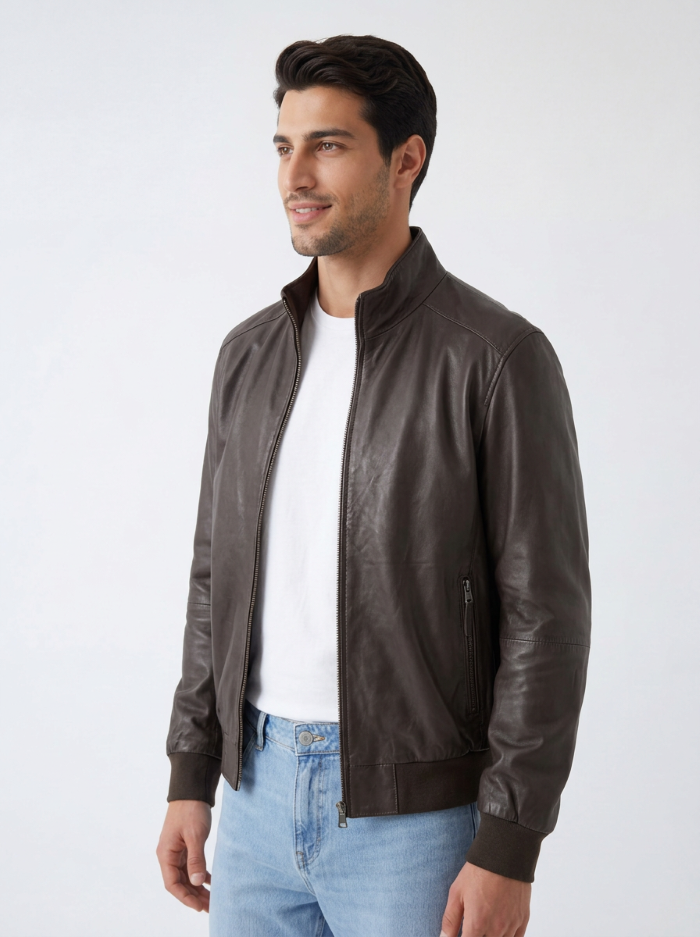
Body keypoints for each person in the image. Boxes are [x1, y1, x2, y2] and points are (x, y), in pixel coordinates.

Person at [156, 34, 591, 937]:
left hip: (417, 819)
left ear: (406, 160)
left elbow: (546, 617)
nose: (296, 175)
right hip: (254, 795)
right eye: (284, 146)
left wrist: (509, 843)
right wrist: (191, 772)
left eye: (329, 144)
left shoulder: (495, 358)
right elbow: (213, 578)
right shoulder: (248, 355)